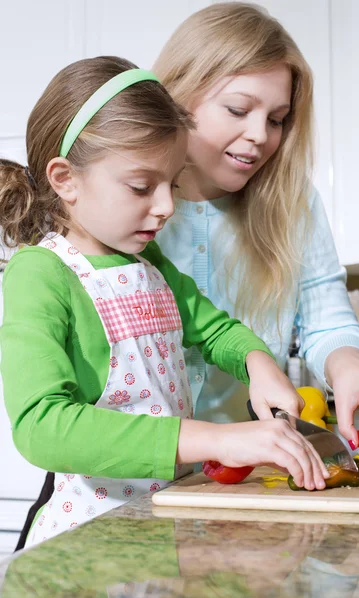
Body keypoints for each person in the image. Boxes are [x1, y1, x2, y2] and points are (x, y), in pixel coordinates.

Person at [0, 56, 330, 547]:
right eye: (141, 185)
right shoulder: (41, 272)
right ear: (65, 179)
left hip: (161, 523)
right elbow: (43, 427)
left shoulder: (148, 263)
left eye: (172, 183)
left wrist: (260, 365)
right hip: (90, 540)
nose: (166, 206)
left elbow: (215, 330)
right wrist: (218, 439)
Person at [153, 2, 359, 445]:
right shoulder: (123, 206)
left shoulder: (293, 202)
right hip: (123, 480)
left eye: (276, 120)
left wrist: (348, 362)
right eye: (237, 109)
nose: (260, 135)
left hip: (245, 476)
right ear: (177, 96)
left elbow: (327, 321)